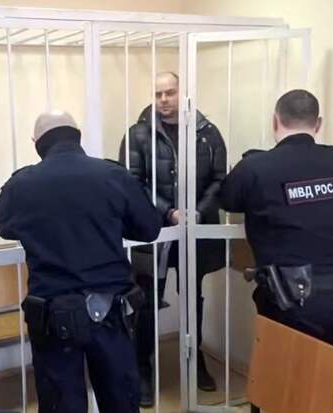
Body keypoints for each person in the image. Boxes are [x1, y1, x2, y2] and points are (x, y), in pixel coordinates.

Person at [0, 110, 161, 413]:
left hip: (51, 315)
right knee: (120, 402)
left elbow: (4, 228)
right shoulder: (113, 175)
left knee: (61, 405)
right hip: (111, 312)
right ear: (77, 135)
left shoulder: (20, 185)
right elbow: (149, 229)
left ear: (36, 142)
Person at [220, 89, 333, 348]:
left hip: (289, 297)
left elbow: (228, 200)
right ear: (317, 124)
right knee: (324, 364)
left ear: (275, 121)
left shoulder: (256, 167)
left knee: (282, 368)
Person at [119, 71, 226, 404]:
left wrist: (196, 213)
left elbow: (220, 179)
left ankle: (196, 361)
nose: (164, 99)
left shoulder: (207, 133)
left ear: (184, 93)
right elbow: (131, 183)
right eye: (158, 94)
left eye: (170, 92)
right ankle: (143, 368)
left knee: (193, 297)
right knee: (147, 301)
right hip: (154, 231)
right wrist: (170, 212)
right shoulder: (138, 134)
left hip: (196, 229)